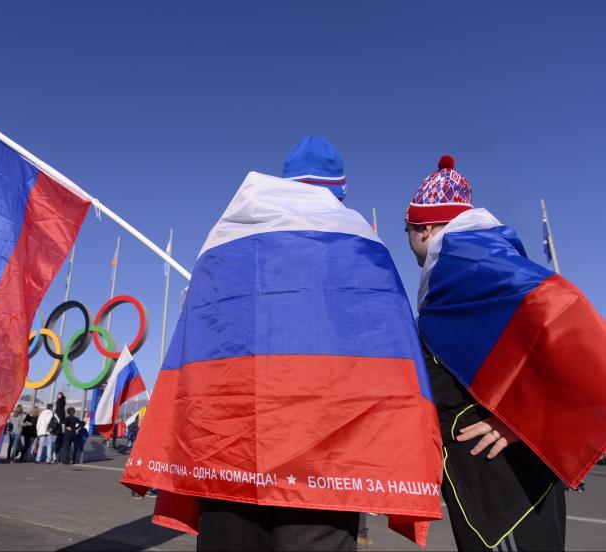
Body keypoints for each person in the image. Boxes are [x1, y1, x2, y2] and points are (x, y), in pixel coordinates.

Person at [121, 137, 443, 551]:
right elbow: (388, 345)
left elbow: (197, 337)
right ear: (338, 191)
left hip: (228, 449)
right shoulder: (361, 243)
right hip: (323, 457)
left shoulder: (223, 239)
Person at [404, 155, 606, 551]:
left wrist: (525, 420)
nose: (408, 241)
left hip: (505, 490)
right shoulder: (461, 267)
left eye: (407, 230)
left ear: (424, 228)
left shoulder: (465, 261)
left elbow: (566, 312)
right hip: (491, 482)